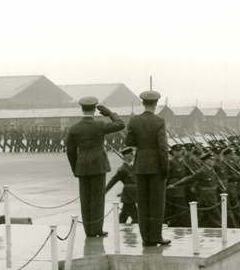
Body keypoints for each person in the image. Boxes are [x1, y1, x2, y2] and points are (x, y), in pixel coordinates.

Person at [66, 97, 125, 238]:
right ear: (94, 109)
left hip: (82, 167)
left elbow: (70, 151)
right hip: (98, 166)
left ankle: (89, 231)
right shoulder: (99, 125)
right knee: (97, 199)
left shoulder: (74, 128)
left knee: (85, 199)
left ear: (82, 109)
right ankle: (97, 229)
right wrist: (109, 113)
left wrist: (75, 168)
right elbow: (120, 124)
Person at [125, 90, 171, 247]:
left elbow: (129, 141)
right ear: (156, 104)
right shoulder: (159, 121)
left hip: (140, 166)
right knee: (157, 203)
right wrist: (165, 168)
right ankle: (156, 236)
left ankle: (146, 238)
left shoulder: (134, 121)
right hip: (156, 167)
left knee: (143, 204)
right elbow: (163, 148)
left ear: (143, 103)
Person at [104, 147, 137, 224]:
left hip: (132, 196)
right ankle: (126, 233)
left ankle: (121, 232)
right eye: (131, 154)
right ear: (126, 156)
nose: (133, 156)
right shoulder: (122, 170)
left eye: (133, 154)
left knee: (123, 217)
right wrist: (104, 191)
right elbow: (112, 181)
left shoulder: (134, 167)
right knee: (137, 218)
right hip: (129, 196)